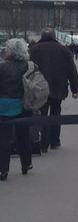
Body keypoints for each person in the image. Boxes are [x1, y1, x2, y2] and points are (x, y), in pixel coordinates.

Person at [29, 28, 78, 153]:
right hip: (58, 88)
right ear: (54, 37)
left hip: (39, 88)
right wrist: (75, 89)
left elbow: (28, 69)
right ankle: (54, 141)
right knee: (56, 113)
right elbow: (71, 70)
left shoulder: (34, 50)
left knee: (42, 114)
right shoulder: (63, 50)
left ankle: (43, 143)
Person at [0, 39, 35, 180]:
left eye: (7, 49)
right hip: (24, 105)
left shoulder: (2, 67)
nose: (5, 51)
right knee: (24, 135)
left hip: (4, 107)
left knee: (4, 139)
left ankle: (3, 170)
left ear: (12, 52)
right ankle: (26, 164)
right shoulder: (30, 66)